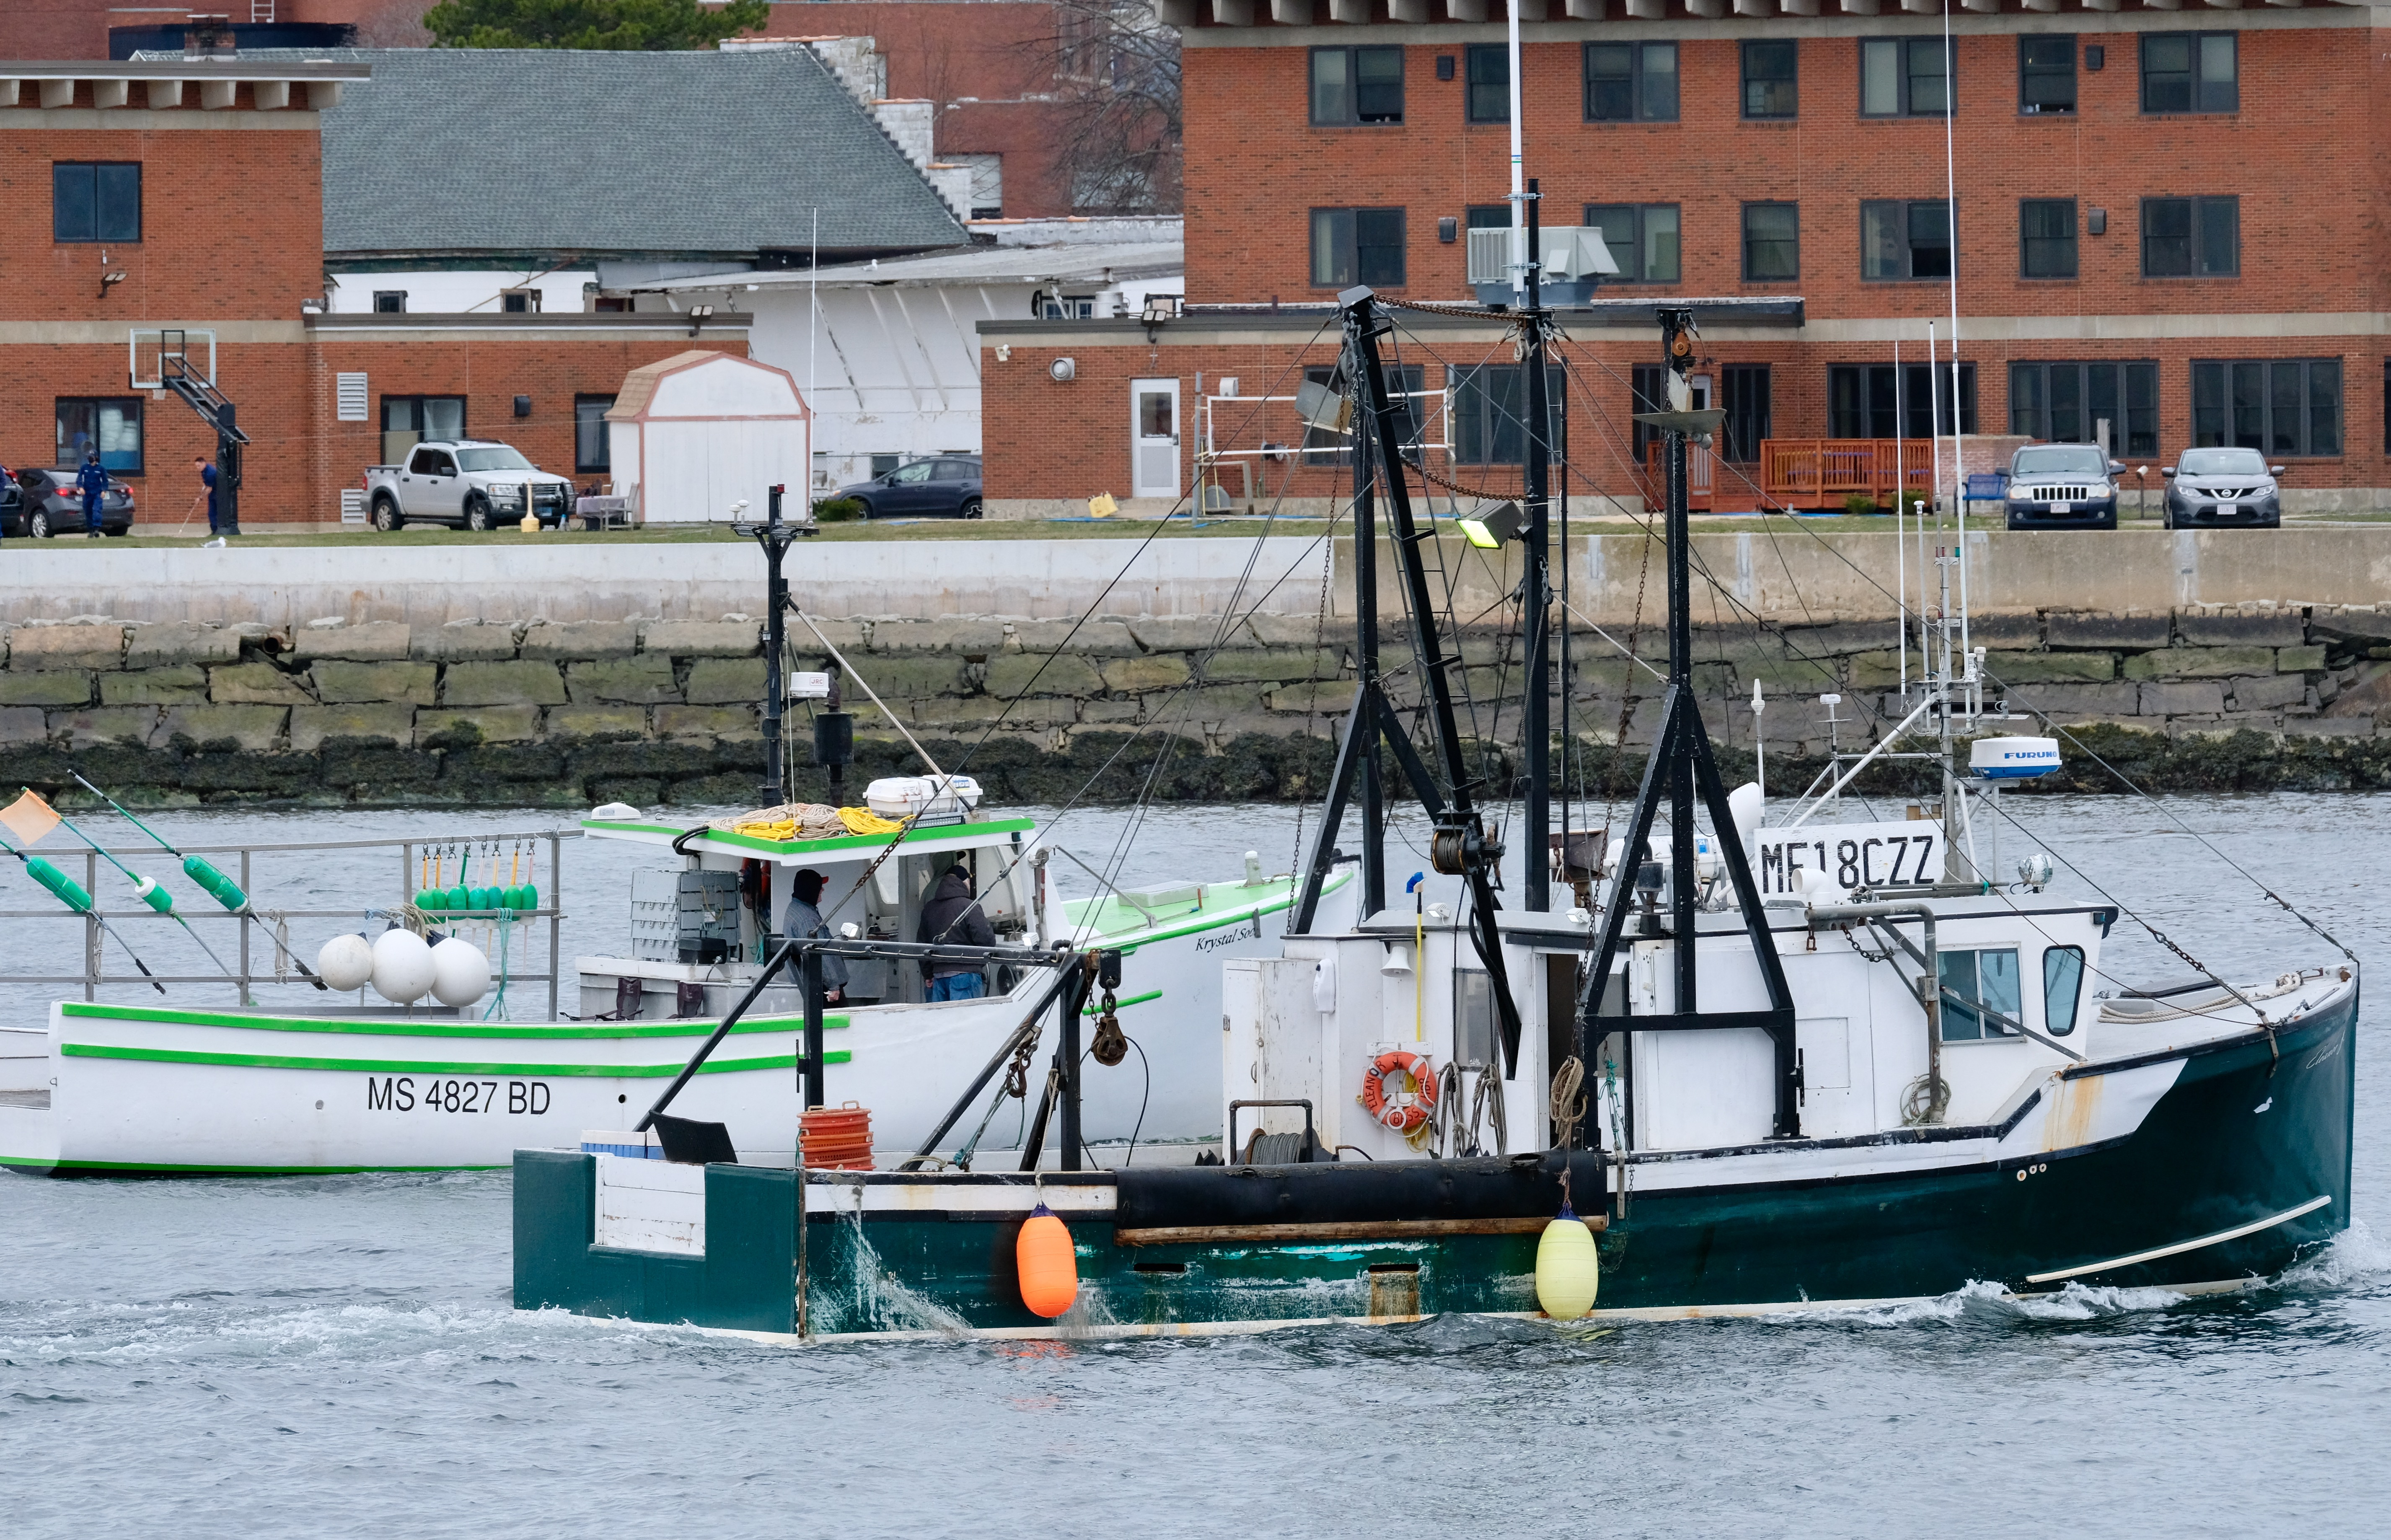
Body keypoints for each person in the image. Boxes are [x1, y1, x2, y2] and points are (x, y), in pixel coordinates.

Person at [917, 862, 995, 1001]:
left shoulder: (929, 908)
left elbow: (922, 944)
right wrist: (977, 964)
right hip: (966, 976)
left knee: (941, 1015)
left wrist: (928, 974)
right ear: (964, 882)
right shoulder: (969, 906)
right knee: (966, 1015)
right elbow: (986, 940)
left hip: (938, 977)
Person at [780, 867, 846, 1006]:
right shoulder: (808, 919)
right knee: (838, 1018)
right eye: (819, 887)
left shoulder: (795, 908)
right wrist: (834, 986)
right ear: (811, 889)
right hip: (821, 988)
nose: (823, 890)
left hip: (811, 984)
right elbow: (819, 953)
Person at [75, 451, 109, 539]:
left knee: (97, 510)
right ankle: (90, 531)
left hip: (97, 493)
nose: (90, 458)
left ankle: (97, 529)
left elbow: (105, 481)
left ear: (96, 458)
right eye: (89, 456)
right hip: (87, 493)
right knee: (88, 511)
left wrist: (104, 491)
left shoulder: (101, 469)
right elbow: (79, 479)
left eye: (92, 457)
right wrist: (80, 487)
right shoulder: (84, 468)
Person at [192, 456, 218, 535]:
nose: (198, 468)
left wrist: (200, 498)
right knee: (211, 513)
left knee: (214, 513)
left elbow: (209, 489)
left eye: (199, 466)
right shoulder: (204, 471)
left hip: (218, 493)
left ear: (203, 463)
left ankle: (217, 531)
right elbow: (205, 485)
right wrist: (202, 492)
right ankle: (214, 531)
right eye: (197, 466)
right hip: (213, 493)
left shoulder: (210, 473)